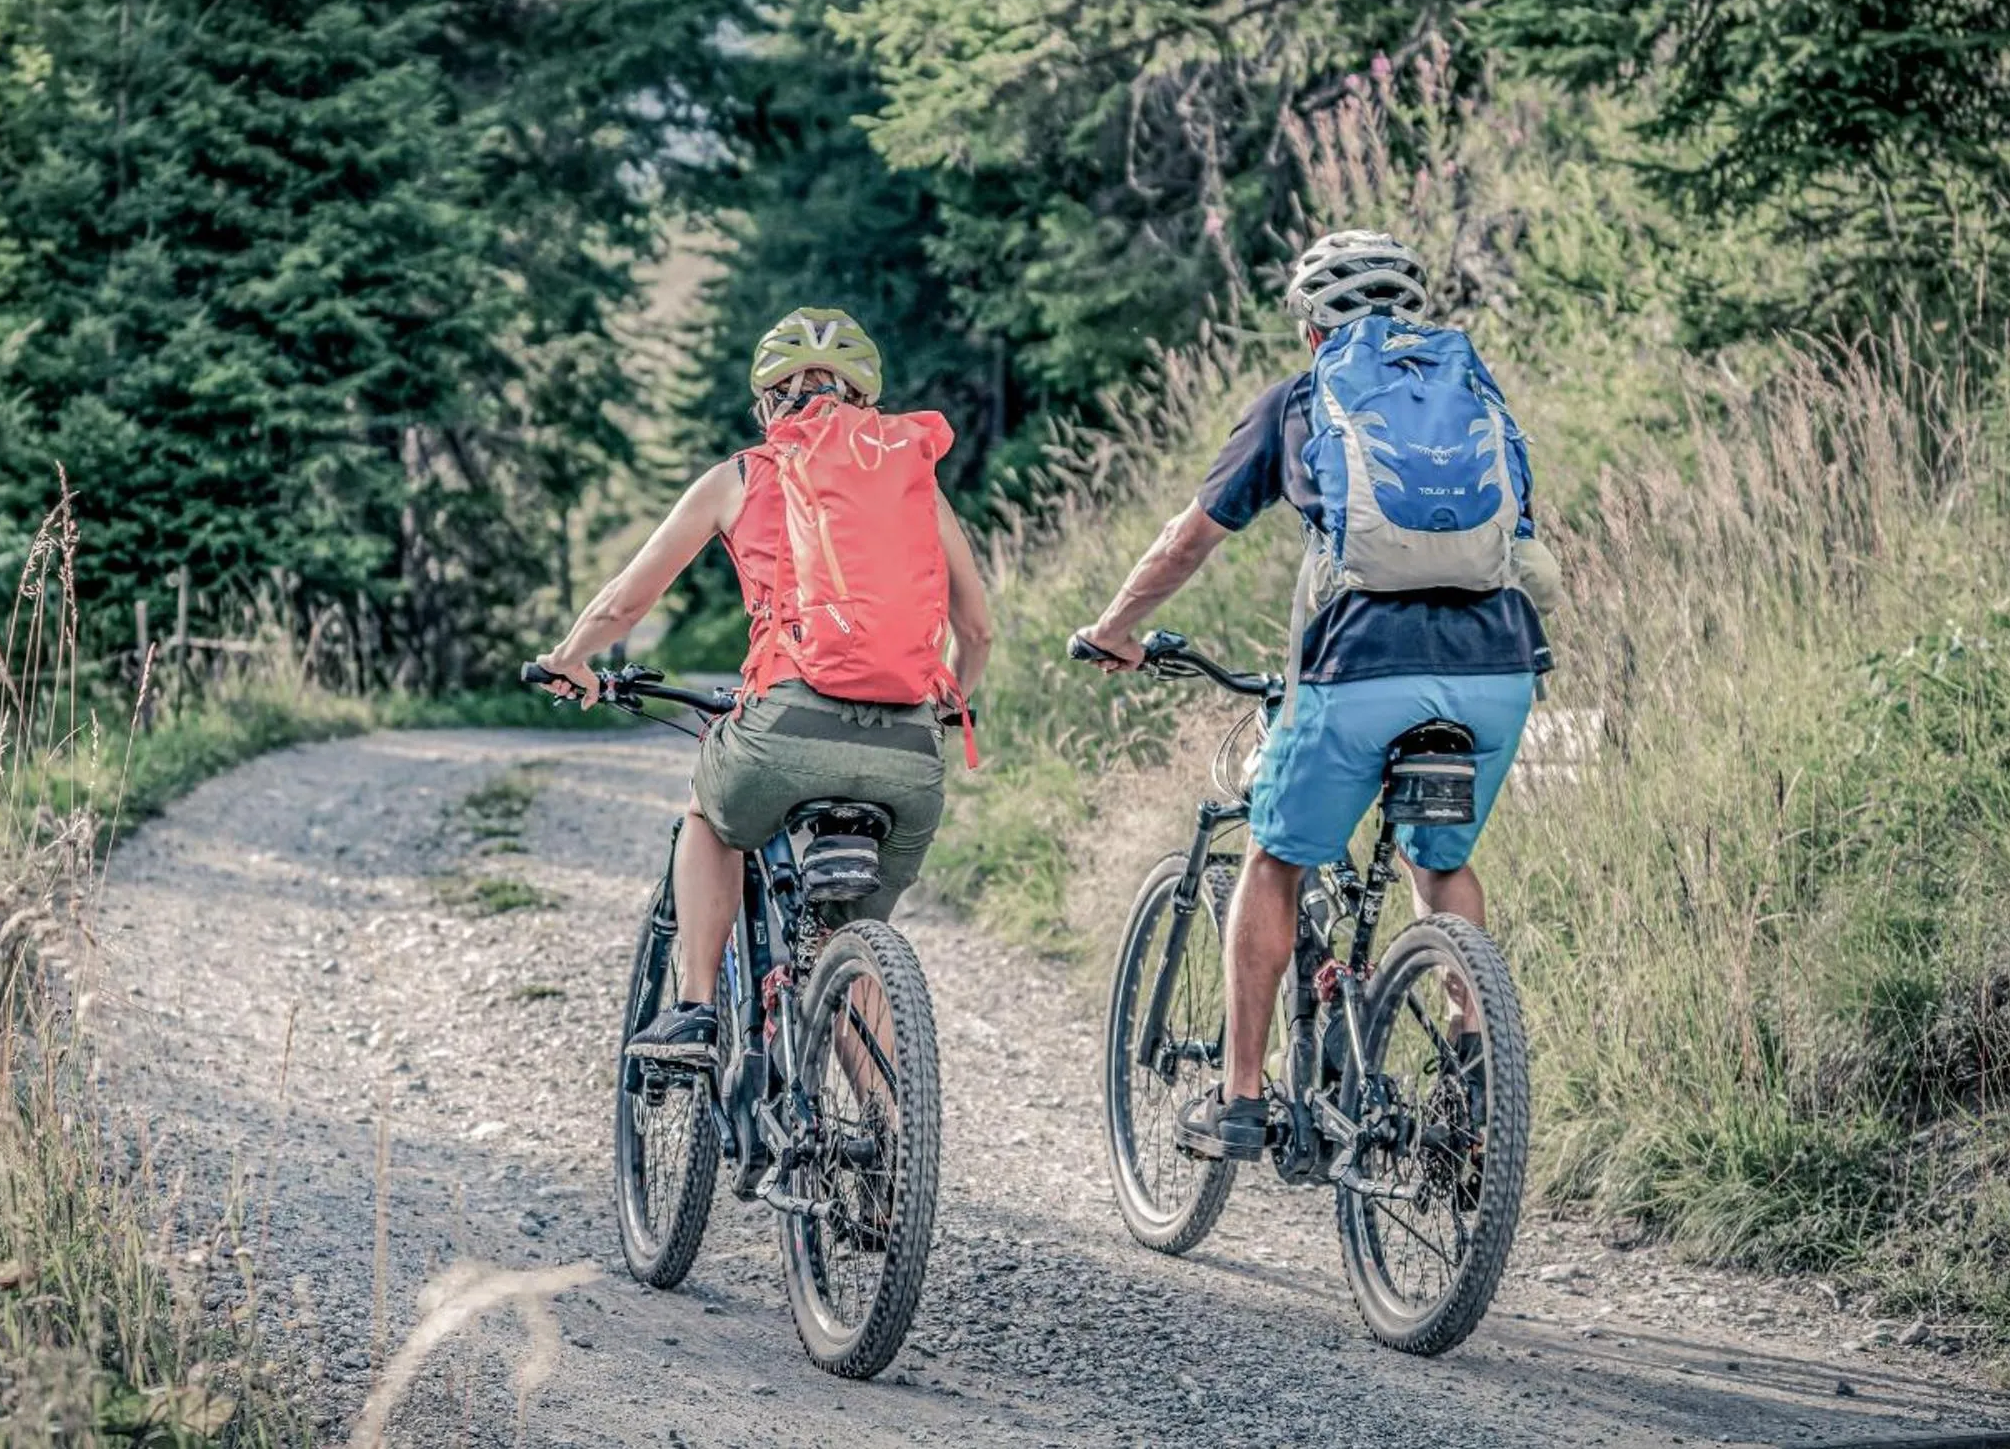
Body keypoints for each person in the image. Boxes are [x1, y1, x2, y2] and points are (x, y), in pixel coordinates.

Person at [1074, 231, 1559, 1160]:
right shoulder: (1475, 398)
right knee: (1439, 866)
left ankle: (1242, 1099)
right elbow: (1527, 548)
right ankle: (1468, 1101)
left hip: (1362, 671)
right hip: (1497, 673)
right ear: (1411, 313)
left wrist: (1115, 629)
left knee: (1276, 858)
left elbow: (1188, 540)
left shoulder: (1303, 399)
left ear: (1310, 327)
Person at [531, 308, 993, 1065]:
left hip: (786, 728)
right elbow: (976, 628)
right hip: (910, 752)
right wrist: (951, 701)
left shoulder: (741, 476)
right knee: (845, 943)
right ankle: (887, 1148)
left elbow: (626, 601)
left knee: (709, 816)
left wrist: (571, 658)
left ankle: (694, 1011)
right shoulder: (917, 483)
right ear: (864, 401)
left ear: (767, 402)